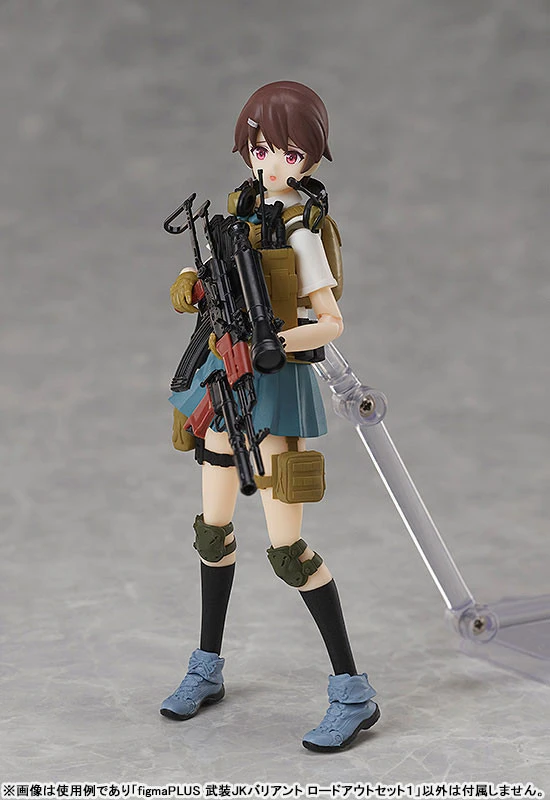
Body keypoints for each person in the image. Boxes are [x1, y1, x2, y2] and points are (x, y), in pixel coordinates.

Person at [160, 81, 380, 752]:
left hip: (276, 385)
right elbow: (215, 284)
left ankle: (353, 692)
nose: (272, 162)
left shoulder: (303, 231)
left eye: (288, 151)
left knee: (287, 550)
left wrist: (277, 340)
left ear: (309, 156)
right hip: (223, 375)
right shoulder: (237, 213)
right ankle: (207, 666)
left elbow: (331, 322)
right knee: (213, 530)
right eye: (261, 149)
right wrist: (195, 287)